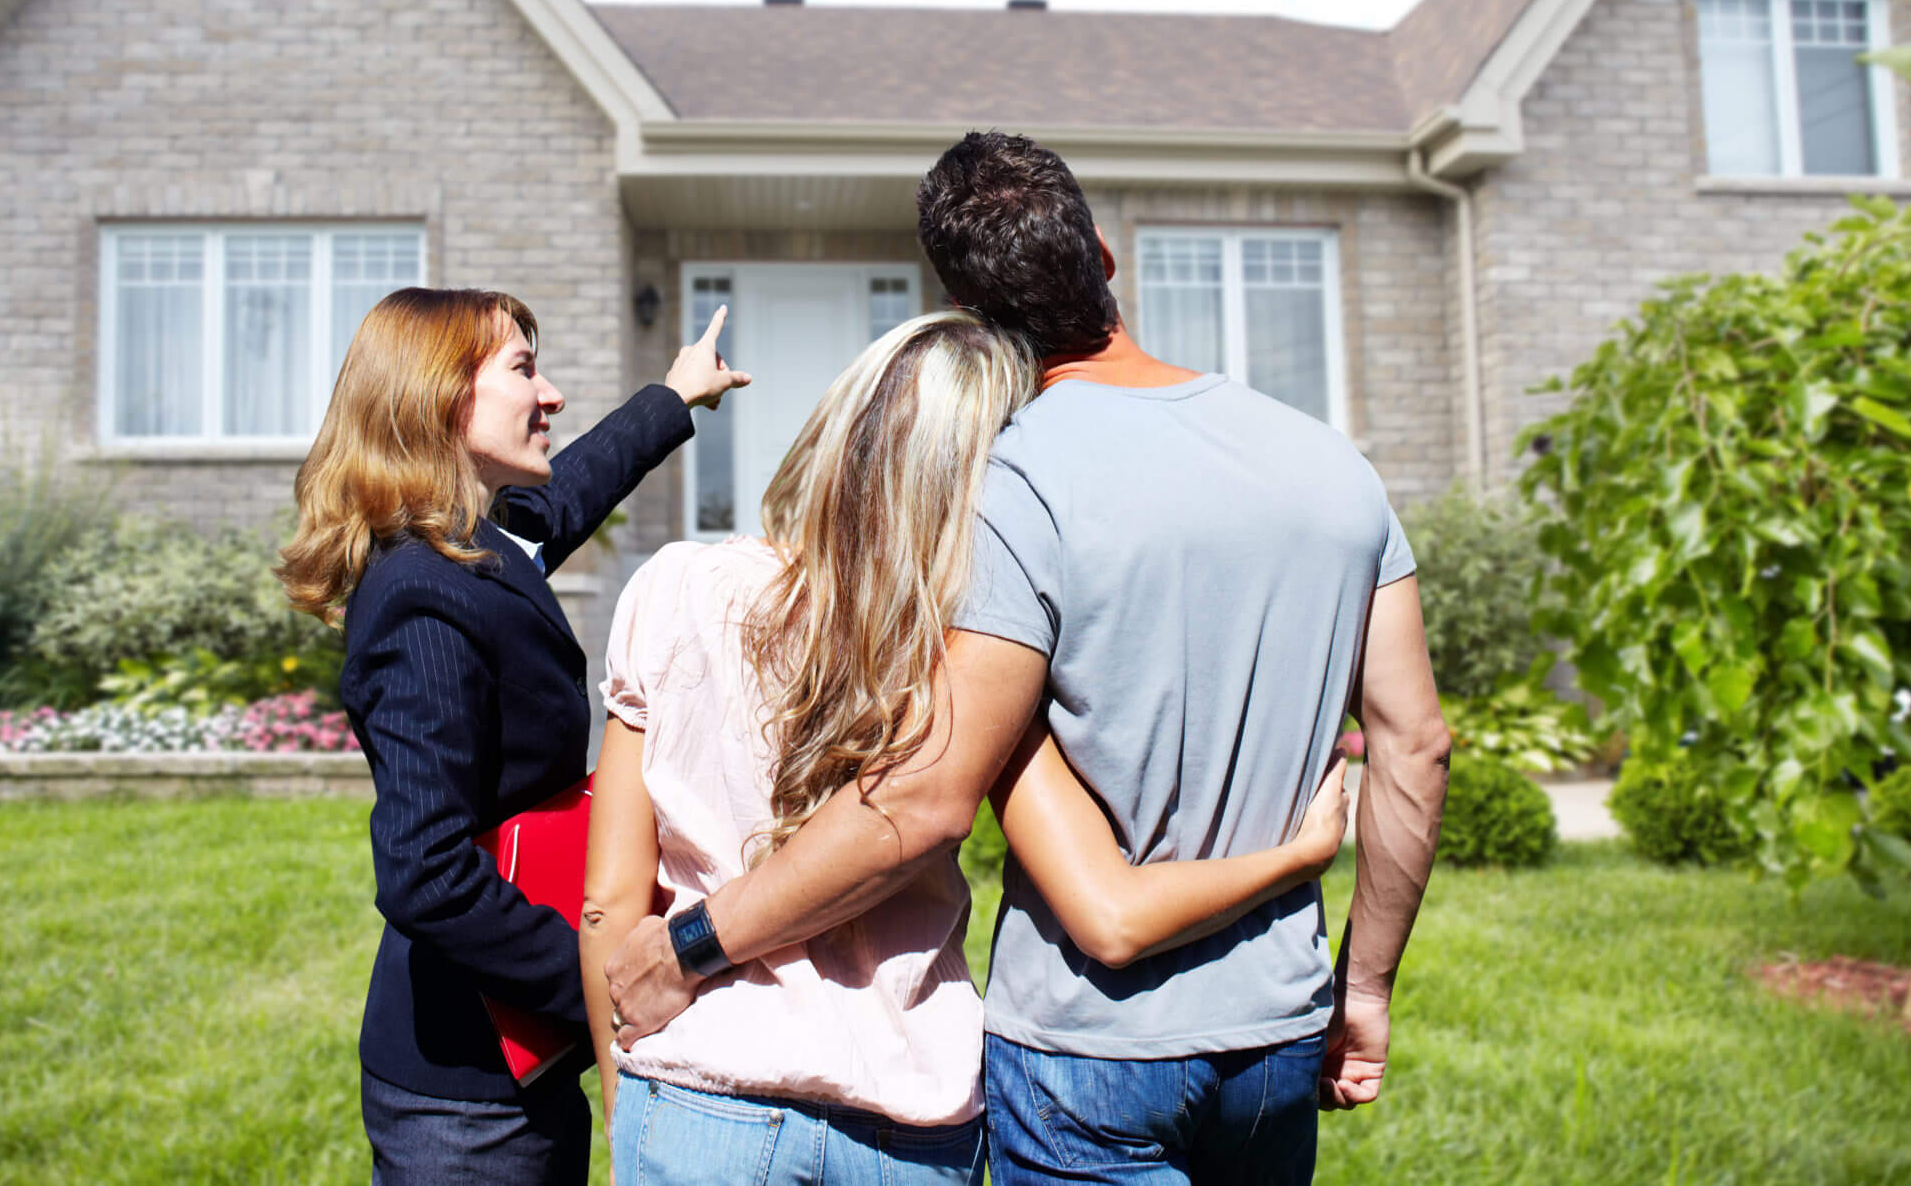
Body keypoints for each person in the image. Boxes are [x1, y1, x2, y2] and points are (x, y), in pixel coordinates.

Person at [605, 132, 1453, 1185]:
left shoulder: (1014, 483)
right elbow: (1414, 746)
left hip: (1084, 1052)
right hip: (1275, 1031)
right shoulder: (1333, 463)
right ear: (1102, 253)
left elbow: (919, 803)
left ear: (969, 312)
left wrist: (689, 945)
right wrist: (1362, 990)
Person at [275, 286, 745, 1185]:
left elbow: (568, 494)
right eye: (525, 370)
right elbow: (426, 874)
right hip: (466, 1099)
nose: (553, 394)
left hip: (517, 1066)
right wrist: (605, 983)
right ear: (443, 399)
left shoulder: (471, 542)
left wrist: (675, 396)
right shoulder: (422, 596)